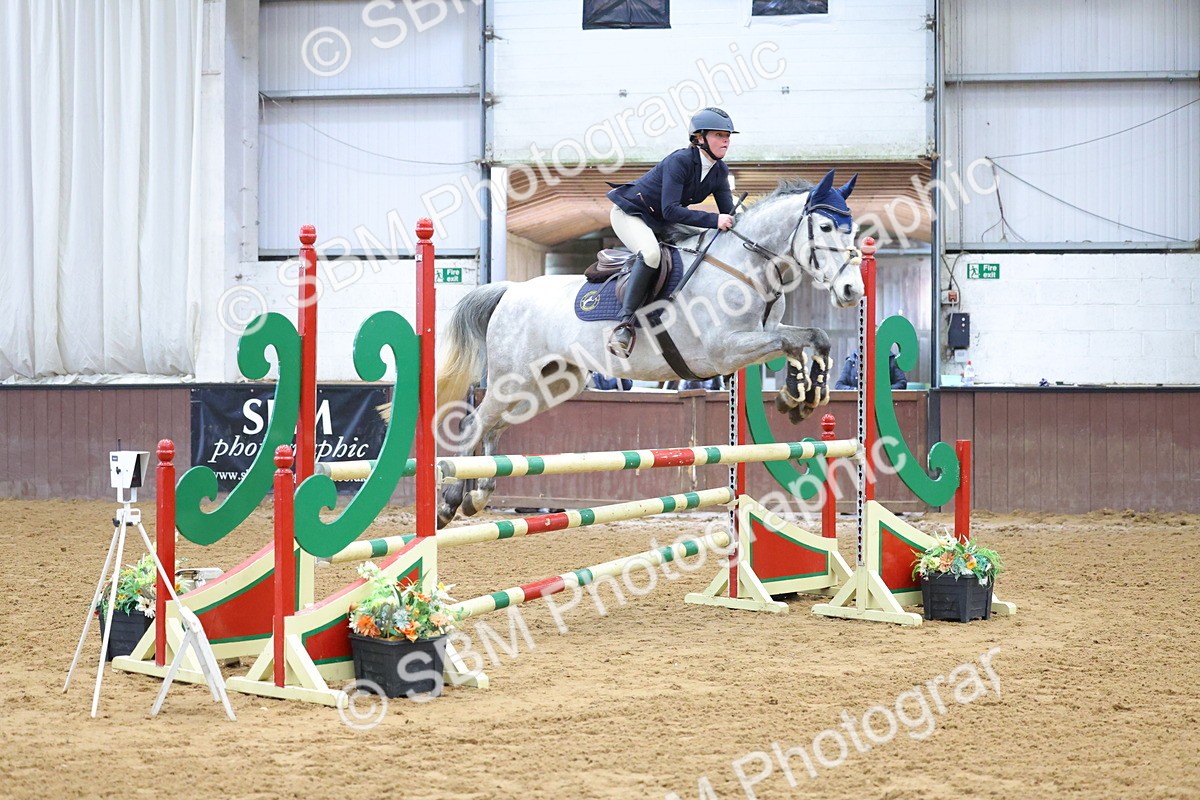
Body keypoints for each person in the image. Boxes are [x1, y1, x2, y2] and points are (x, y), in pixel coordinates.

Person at [603, 107, 738, 358]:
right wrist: (715, 219)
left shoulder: (720, 171)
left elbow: (728, 214)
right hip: (631, 213)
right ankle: (624, 324)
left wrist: (737, 222)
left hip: (661, 220)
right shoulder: (680, 161)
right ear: (700, 138)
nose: (726, 140)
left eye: (728, 135)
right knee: (652, 255)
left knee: (705, 239)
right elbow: (671, 210)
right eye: (719, 134)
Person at [834, 350, 908, 390]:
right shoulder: (853, 359)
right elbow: (839, 385)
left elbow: (902, 383)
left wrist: (882, 392)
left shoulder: (890, 359)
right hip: (856, 406)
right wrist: (857, 391)